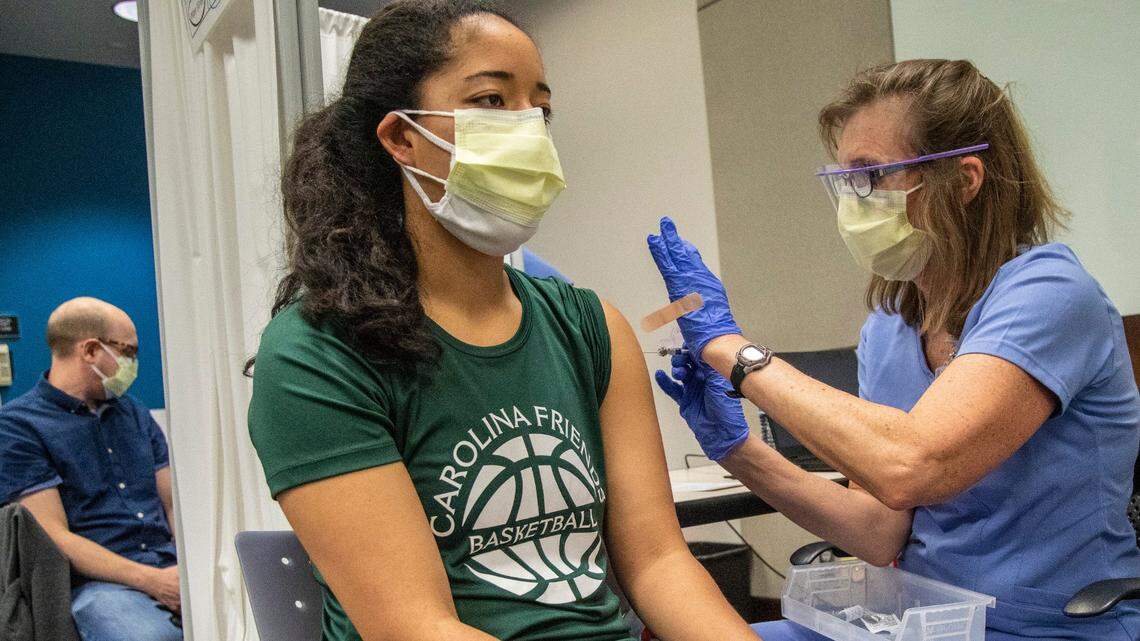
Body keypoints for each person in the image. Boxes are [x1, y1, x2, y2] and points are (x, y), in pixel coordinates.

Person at [245, 2, 758, 640]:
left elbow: (658, 562)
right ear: (402, 138)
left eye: (540, 109)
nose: (528, 128)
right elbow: (414, 627)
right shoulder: (316, 354)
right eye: (491, 100)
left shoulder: (592, 328)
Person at [651, 59, 1140, 641]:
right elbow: (880, 532)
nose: (852, 200)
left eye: (872, 174)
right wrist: (739, 452)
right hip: (924, 622)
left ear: (964, 181)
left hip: (1046, 627)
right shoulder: (889, 326)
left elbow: (912, 465)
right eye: (844, 178)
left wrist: (733, 351)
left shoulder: (1051, 295)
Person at [0, 297, 181, 641]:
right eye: (128, 352)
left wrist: (188, 572)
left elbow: (172, 506)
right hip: (99, 586)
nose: (133, 364)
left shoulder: (135, 415)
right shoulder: (17, 427)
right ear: (91, 350)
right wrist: (153, 581)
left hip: (170, 569)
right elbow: (55, 536)